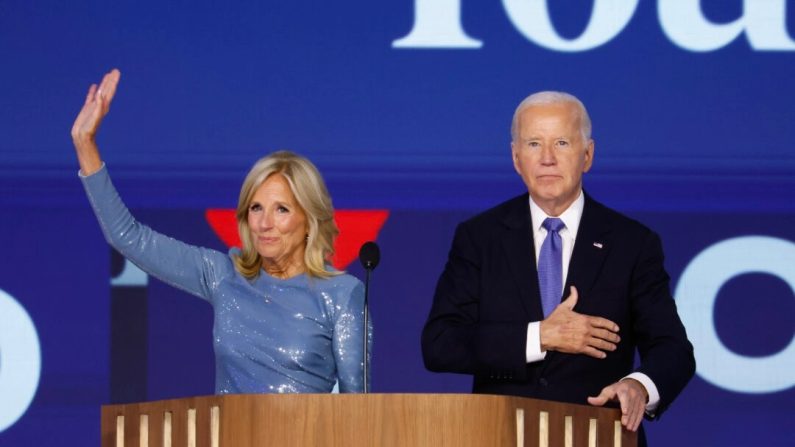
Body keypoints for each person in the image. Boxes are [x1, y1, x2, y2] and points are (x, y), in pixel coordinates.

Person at [72, 69, 370, 394]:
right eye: (256, 208)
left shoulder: (342, 294)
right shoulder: (224, 276)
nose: (265, 223)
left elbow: (356, 412)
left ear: (309, 219)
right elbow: (128, 237)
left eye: (281, 209)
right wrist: (86, 145)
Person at [421, 91, 695, 442]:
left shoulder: (632, 243)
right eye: (534, 143)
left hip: (597, 435)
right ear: (516, 158)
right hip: (501, 434)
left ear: (588, 155)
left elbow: (673, 350)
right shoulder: (480, 238)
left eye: (562, 142)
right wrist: (540, 336)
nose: (547, 158)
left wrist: (638, 386)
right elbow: (441, 343)